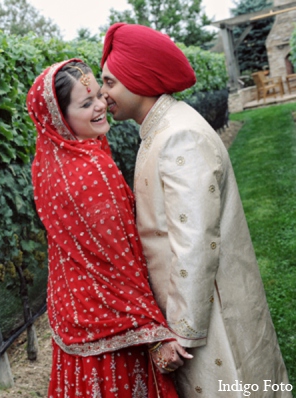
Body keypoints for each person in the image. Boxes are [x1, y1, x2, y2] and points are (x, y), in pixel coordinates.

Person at [99, 23, 292, 397]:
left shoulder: (177, 137)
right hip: (200, 305)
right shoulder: (160, 129)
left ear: (137, 78)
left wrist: (182, 333)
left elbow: (195, 242)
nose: (103, 93)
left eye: (109, 82)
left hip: (210, 314)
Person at [27, 58, 184, 398]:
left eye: (99, 94)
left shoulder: (46, 164)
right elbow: (120, 262)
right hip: (111, 324)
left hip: (73, 314)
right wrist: (153, 329)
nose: (101, 105)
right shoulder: (92, 169)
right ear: (59, 118)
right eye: (86, 103)